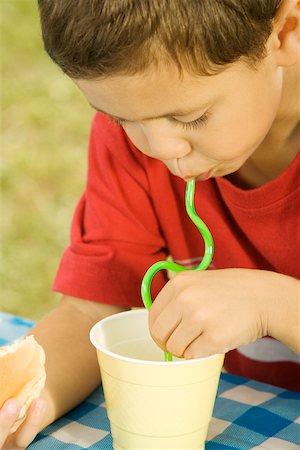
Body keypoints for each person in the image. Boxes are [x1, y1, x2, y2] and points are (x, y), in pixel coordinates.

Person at [1, 0, 299, 447]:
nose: (160, 149)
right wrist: (25, 400)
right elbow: (93, 311)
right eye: (121, 119)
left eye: (190, 117)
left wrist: (272, 304)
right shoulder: (137, 147)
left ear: (284, 33)